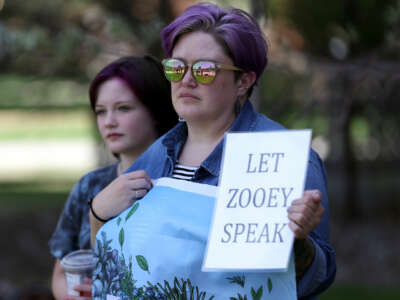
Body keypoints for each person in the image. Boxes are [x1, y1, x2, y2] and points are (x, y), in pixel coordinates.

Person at [90, 3, 336, 299]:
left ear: (244, 81)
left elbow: (315, 280)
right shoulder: (157, 154)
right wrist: (97, 215)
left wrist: (298, 240)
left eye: (205, 69)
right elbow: (118, 264)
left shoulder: (283, 157)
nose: (187, 80)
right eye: (176, 67)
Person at [49, 55, 177, 300]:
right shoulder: (90, 186)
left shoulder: (180, 183)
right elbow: (59, 274)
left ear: (156, 111)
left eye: (123, 108)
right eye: (100, 111)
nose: (109, 122)